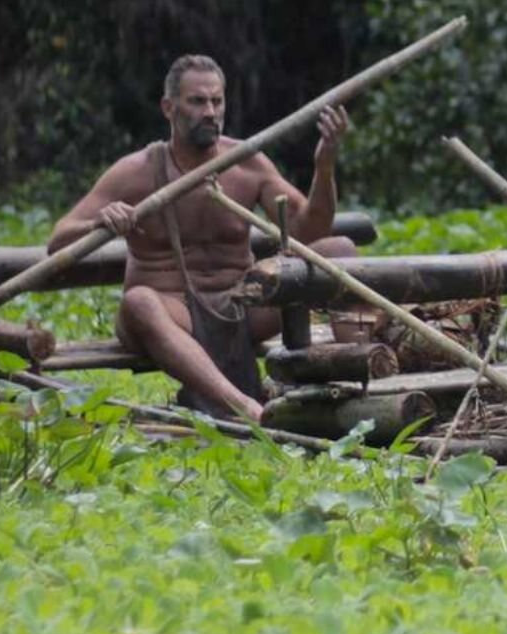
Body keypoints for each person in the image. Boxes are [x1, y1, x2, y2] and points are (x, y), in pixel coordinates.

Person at [46, 55, 356, 421]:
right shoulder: (136, 171)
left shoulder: (246, 162)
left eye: (216, 101)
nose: (210, 112)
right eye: (197, 101)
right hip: (172, 313)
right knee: (139, 302)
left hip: (242, 309)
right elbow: (58, 241)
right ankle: (247, 409)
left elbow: (310, 231)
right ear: (169, 107)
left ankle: (358, 380)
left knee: (339, 250)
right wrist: (99, 221)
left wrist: (325, 166)